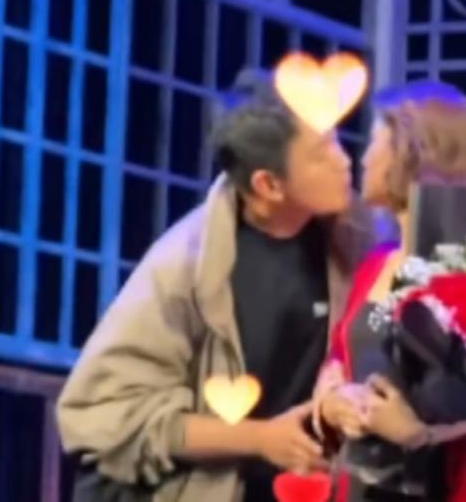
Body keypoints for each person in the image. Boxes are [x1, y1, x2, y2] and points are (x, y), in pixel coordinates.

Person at [57, 71, 376, 502]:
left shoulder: (355, 242)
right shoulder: (185, 266)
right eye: (321, 155)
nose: (343, 161)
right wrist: (260, 438)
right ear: (269, 185)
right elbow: (104, 413)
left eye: (337, 142)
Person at [313, 80, 466, 502]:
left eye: (374, 141)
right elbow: (339, 359)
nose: (363, 158)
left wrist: (421, 431)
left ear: (413, 151)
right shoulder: (375, 264)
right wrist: (334, 404)